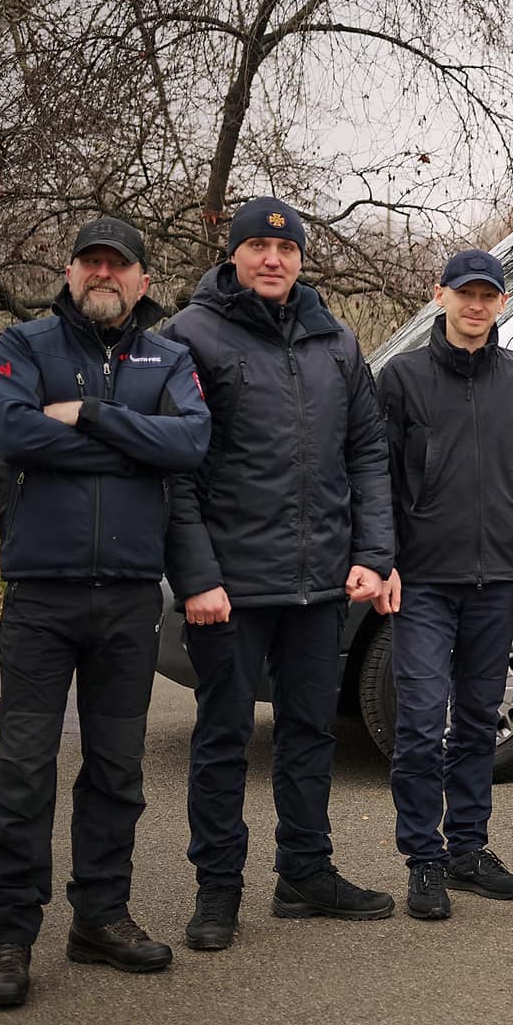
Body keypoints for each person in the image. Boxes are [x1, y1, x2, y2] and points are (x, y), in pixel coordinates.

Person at [0, 217, 211, 1009]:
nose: (104, 275)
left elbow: (191, 443)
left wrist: (91, 418)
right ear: (71, 273)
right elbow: (13, 432)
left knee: (117, 771)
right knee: (24, 771)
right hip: (42, 597)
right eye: (91, 263)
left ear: (144, 279)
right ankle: (9, 935)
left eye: (120, 265)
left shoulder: (169, 357)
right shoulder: (25, 346)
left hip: (128, 602)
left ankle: (100, 918)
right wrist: (135, 450)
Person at [162, 196, 398, 948]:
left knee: (309, 733)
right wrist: (197, 575)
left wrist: (373, 554)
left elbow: (368, 452)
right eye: (259, 248)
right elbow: (177, 473)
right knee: (224, 738)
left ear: (301, 260)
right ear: (233, 255)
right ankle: (217, 889)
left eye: (287, 249)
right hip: (230, 588)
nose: (274, 259)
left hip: (321, 582)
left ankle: (305, 872)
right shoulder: (190, 337)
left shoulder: (336, 342)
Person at [374, 249, 513, 917]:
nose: (476, 305)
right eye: (465, 293)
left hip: (498, 581)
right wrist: (384, 560)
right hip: (423, 582)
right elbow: (378, 478)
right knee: (424, 723)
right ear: (441, 296)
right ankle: (422, 859)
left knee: (480, 722)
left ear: (503, 303)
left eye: (488, 294)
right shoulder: (401, 379)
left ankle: (466, 849)